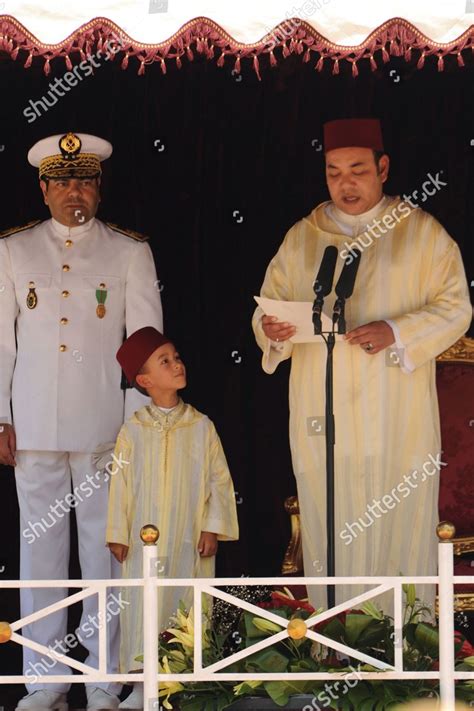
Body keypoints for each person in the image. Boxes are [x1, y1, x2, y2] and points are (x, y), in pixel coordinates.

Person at [252, 118, 472, 610]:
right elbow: (269, 305)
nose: (345, 184)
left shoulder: (421, 232)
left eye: (357, 170)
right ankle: (334, 645)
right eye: (333, 173)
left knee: (398, 517)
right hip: (322, 408)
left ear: (384, 168)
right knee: (331, 513)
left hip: (397, 412)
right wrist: (270, 329)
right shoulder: (303, 238)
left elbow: (456, 308)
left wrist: (395, 330)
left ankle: (399, 649)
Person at [0, 133, 163, 710]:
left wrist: (141, 424)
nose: (76, 191)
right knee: (39, 553)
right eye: (64, 181)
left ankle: (104, 681)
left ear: (99, 188)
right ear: (43, 188)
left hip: (105, 428)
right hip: (35, 424)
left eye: (87, 181)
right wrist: (0, 416)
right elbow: (2, 344)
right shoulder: (15, 251)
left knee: (105, 553)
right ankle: (45, 680)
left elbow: (145, 344)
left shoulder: (128, 252)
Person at [106, 326, 239, 709]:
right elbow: (122, 484)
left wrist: (212, 525)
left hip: (187, 542)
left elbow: (220, 480)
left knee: (187, 604)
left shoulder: (201, 427)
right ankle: (141, 685)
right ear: (145, 380)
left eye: (176, 356)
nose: (177, 364)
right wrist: (117, 531)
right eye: (165, 361)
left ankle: (186, 683)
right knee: (141, 605)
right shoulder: (132, 430)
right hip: (142, 542)